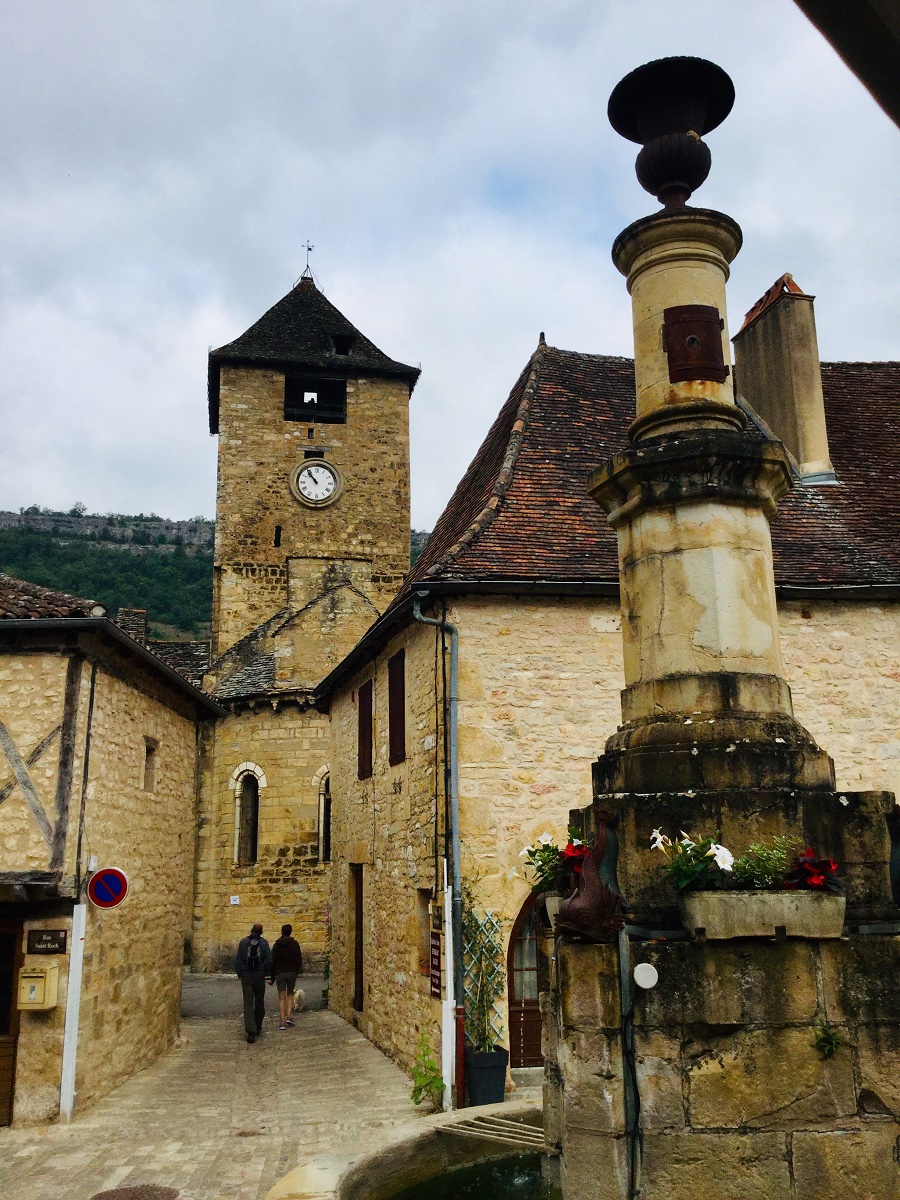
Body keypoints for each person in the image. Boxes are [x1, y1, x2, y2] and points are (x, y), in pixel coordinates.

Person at [235, 923, 272, 1043]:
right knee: (259, 1001)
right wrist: (264, 972)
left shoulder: (243, 942)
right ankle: (258, 1025)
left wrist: (240, 973)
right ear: (261, 932)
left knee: (248, 1003)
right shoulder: (264, 943)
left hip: (246, 977)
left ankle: (251, 1031)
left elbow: (238, 959)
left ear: (251, 930)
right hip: (259, 976)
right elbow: (269, 960)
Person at [270, 923, 304, 1029]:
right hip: (291, 972)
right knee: (290, 995)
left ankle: (282, 1021)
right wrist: (298, 971)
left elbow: (273, 961)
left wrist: (272, 977)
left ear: (282, 932)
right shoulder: (294, 944)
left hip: (280, 973)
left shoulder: (277, 945)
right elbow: (299, 959)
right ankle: (289, 1016)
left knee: (281, 998)